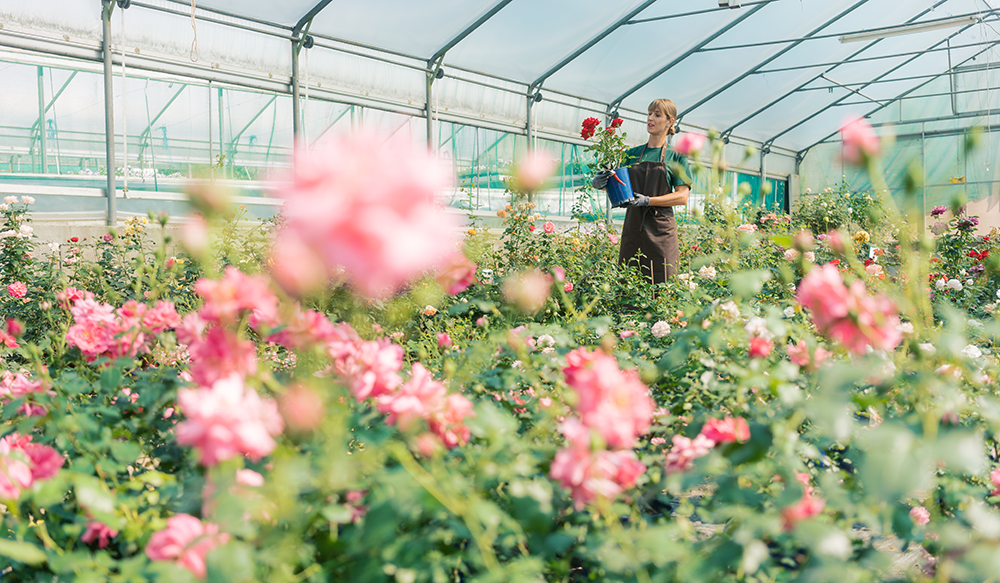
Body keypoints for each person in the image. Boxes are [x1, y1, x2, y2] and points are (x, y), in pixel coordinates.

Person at [593, 99, 691, 284]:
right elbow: (620, 191)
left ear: (670, 121)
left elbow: (682, 196)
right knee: (629, 282)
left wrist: (648, 200)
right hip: (634, 227)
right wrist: (602, 184)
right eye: (649, 114)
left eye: (657, 115)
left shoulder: (676, 156)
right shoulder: (630, 154)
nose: (650, 118)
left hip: (662, 230)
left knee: (663, 282)